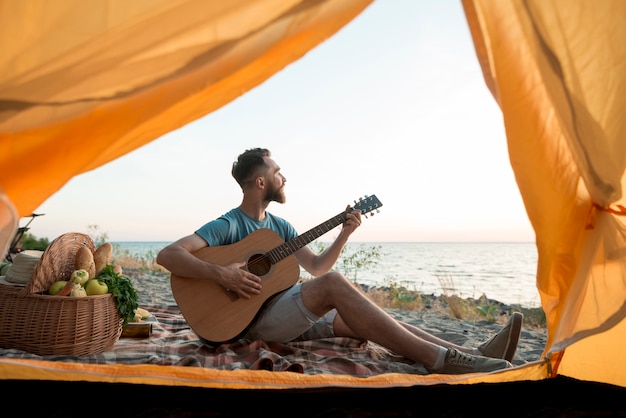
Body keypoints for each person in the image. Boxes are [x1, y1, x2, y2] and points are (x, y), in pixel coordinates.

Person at [156, 147, 523, 374]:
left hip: (275, 311)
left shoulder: (280, 227)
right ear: (261, 183)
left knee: (361, 315)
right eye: (277, 171)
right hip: (240, 323)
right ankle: (439, 360)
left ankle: (468, 352)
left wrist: (345, 233)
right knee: (334, 287)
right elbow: (168, 254)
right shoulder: (228, 225)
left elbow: (316, 268)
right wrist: (222, 274)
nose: (285, 176)